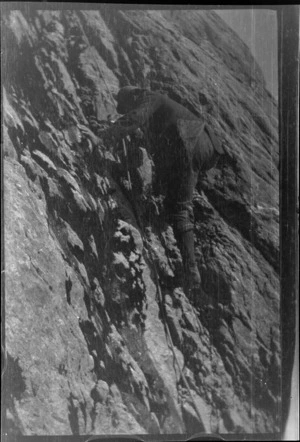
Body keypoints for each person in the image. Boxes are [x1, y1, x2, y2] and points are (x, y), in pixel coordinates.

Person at [103, 86, 224, 292]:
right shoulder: (161, 113)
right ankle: (189, 272)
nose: (129, 109)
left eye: (128, 105)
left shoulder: (151, 97)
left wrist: (105, 135)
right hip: (203, 145)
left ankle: (191, 274)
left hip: (189, 139)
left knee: (178, 210)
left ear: (135, 95)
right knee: (176, 206)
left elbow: (135, 118)